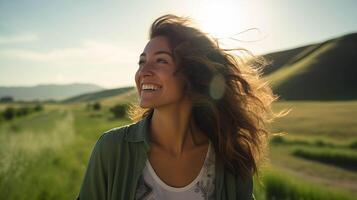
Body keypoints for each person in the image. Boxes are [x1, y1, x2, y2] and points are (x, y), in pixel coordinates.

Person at [77, 14, 278, 200]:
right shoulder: (112, 148)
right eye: (142, 61)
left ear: (191, 73)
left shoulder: (229, 157)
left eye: (161, 60)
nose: (143, 72)